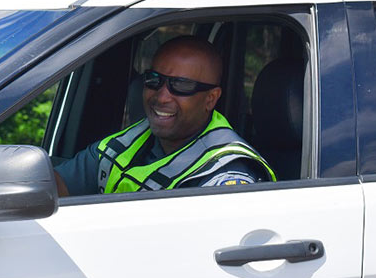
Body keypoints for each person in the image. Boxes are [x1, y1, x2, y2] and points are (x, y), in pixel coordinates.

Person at [54, 35, 275, 196]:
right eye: (154, 80)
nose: (162, 97)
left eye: (181, 85)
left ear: (211, 98)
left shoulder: (225, 175)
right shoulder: (133, 139)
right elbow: (57, 186)